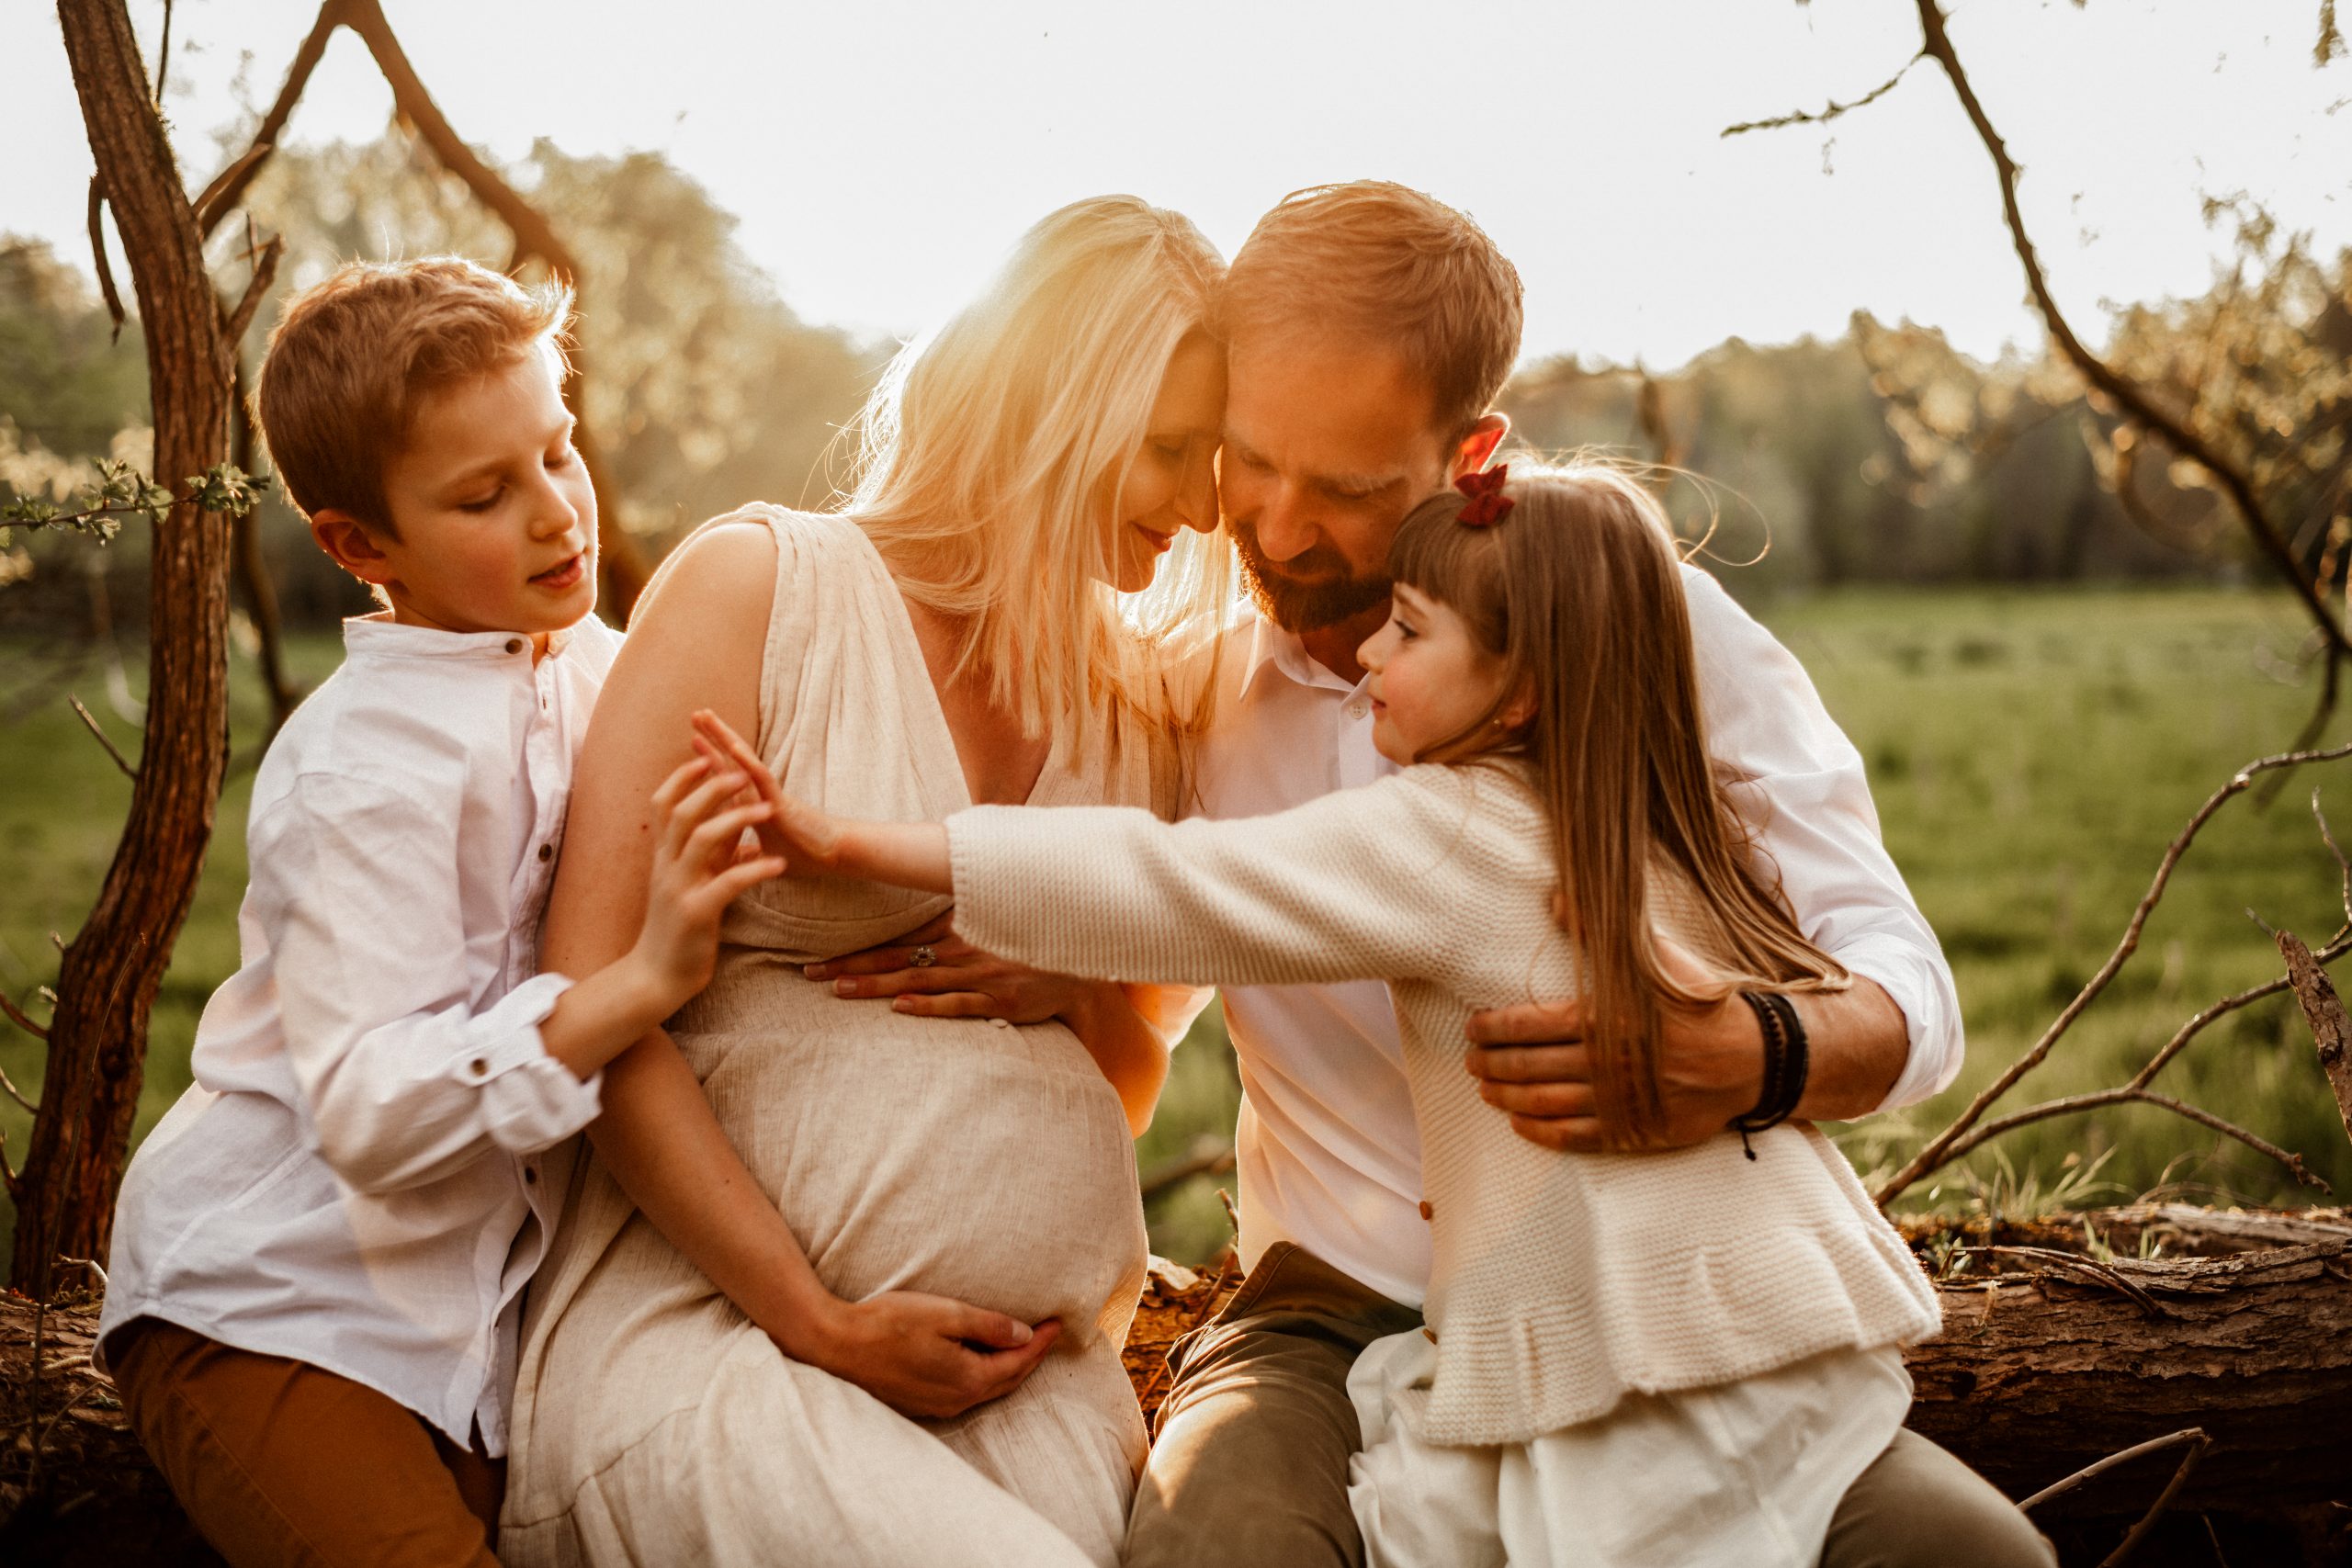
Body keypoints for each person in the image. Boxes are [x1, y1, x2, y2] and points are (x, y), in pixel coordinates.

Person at [837, 180, 2024, 1566]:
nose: (1275, 534)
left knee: (1972, 1559)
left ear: (1474, 455)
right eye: (1248, 464)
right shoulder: (1188, 690)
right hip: (1324, 1312)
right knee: (1213, 1547)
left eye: (1342, 490)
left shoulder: (1648, 633)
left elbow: (1907, 986)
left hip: (1630, 1278)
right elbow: (1151, 906)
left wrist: (1746, 1052)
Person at [497, 197, 1231, 1567]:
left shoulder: (1142, 713)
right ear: (1052, 406)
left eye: (1216, 456)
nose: (1200, 508)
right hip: (723, 1337)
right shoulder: (765, 588)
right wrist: (815, 1318)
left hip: (1027, 1383)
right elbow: (587, 1004)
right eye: (1169, 449)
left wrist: (1074, 989)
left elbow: (1126, 1086)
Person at [93, 257, 786, 1568]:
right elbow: (367, 1113)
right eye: (485, 494)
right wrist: (632, 987)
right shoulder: (365, 771)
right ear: (361, 547)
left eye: (559, 452)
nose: (555, 514)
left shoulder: (595, 669)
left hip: (479, 1326)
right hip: (274, 1305)